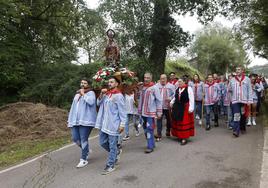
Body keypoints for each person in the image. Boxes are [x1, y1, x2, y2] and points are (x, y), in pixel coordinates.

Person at [95, 77, 126, 175]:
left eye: (112, 82)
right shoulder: (107, 94)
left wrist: (122, 124)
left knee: (112, 145)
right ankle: (116, 152)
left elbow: (122, 111)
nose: (109, 83)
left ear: (117, 84)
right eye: (109, 82)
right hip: (104, 124)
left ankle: (110, 165)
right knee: (102, 142)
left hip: (114, 124)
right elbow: (98, 103)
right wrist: (101, 93)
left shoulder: (119, 96)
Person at [67, 78, 97, 168]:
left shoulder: (91, 93)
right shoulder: (77, 94)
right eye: (81, 83)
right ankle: (87, 150)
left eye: (85, 83)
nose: (82, 84)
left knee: (84, 139)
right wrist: (70, 119)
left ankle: (83, 159)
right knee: (75, 138)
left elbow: (91, 102)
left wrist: (83, 94)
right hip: (75, 120)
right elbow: (73, 107)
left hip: (86, 120)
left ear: (88, 84)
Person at [138, 72, 162, 153]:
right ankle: (152, 142)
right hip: (143, 112)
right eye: (145, 77)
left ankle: (150, 146)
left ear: (151, 78)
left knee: (149, 128)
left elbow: (159, 100)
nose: (146, 79)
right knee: (145, 129)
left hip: (150, 113)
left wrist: (159, 112)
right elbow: (140, 98)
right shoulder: (143, 87)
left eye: (148, 78)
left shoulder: (154, 88)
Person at [228, 66, 253, 137]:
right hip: (235, 101)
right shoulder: (232, 80)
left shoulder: (247, 79)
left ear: (242, 71)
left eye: (239, 69)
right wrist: (230, 98)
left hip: (244, 101)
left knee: (243, 115)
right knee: (236, 115)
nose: (237, 71)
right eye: (236, 70)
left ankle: (243, 128)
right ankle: (236, 131)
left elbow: (249, 90)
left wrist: (249, 100)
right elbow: (229, 89)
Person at [170, 76, 195, 145]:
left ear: (184, 82)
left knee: (183, 122)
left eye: (180, 81)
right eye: (178, 82)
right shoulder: (178, 89)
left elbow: (191, 99)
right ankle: (179, 135)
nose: (178, 83)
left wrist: (191, 108)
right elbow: (175, 97)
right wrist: (172, 102)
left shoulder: (189, 89)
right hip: (177, 107)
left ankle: (184, 137)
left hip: (185, 108)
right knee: (178, 121)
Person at [155, 74, 175, 141]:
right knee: (159, 120)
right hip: (159, 107)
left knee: (169, 119)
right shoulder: (156, 86)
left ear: (166, 79)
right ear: (160, 79)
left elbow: (175, 94)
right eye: (161, 78)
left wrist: (171, 98)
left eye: (164, 78)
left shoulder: (171, 86)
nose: (162, 80)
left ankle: (168, 130)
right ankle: (159, 134)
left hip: (167, 106)